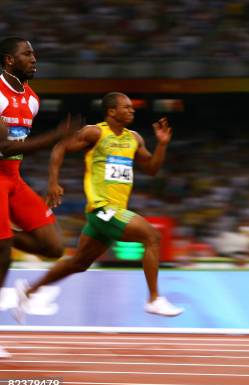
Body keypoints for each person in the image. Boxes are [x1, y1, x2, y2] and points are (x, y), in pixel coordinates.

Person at [16, 92, 183, 320]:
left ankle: (28, 291)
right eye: (126, 107)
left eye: (132, 107)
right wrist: (53, 182)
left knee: (78, 263)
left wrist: (162, 145)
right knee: (152, 236)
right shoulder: (95, 132)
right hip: (102, 209)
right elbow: (60, 147)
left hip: (113, 212)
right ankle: (154, 299)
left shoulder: (134, 139)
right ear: (111, 111)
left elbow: (152, 169)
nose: (132, 110)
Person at [0, 37, 81, 359]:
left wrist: (51, 180)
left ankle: (5, 234)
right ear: (8, 61)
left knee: (52, 246)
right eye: (27, 54)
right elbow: (4, 145)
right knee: (2, 252)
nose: (34, 58)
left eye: (34, 53)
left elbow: (17, 151)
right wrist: (55, 136)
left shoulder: (32, 99)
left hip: (13, 179)